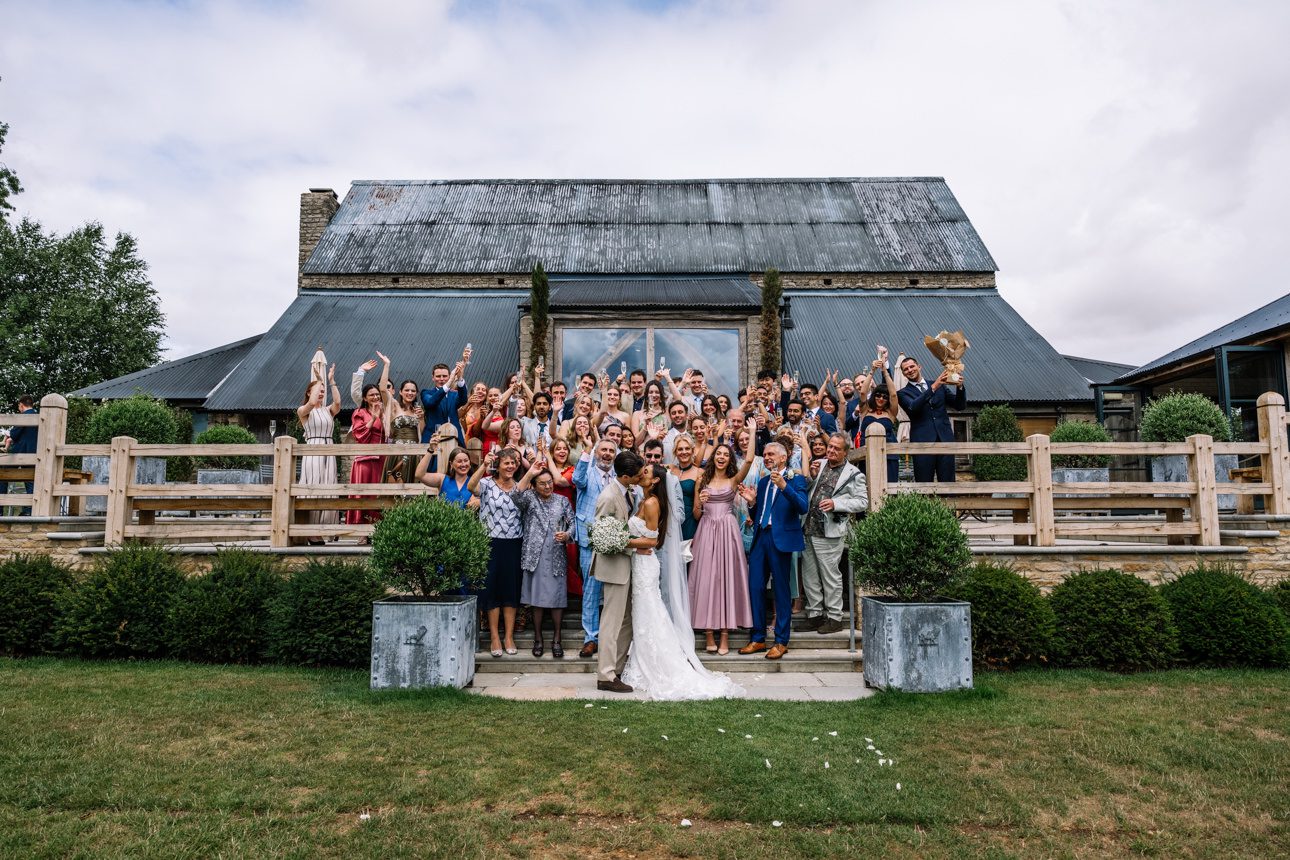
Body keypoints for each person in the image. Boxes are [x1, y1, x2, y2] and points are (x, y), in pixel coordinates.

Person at [621, 462, 743, 701]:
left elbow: (653, 541)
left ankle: (661, 665)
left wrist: (622, 540)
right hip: (640, 565)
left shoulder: (652, 502)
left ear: (656, 480)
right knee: (645, 614)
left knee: (651, 613)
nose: (640, 473)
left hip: (646, 566)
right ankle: (643, 660)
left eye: (645, 472)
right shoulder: (642, 499)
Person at [738, 442, 809, 660]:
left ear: (783, 457)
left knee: (781, 591)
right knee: (755, 587)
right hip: (761, 538)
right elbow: (761, 511)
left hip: (781, 540)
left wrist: (784, 487)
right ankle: (758, 638)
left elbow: (803, 507)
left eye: (771, 454)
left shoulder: (795, 479)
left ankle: (781, 641)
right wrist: (751, 504)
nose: (766, 457)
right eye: (765, 454)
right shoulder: (762, 480)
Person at [689, 442, 754, 655]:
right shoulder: (702, 480)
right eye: (719, 453)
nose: (722, 457)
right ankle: (708, 633)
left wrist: (752, 433)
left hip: (727, 530)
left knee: (726, 579)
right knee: (707, 580)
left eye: (726, 454)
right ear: (713, 457)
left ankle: (725, 634)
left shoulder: (733, 480)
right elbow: (697, 514)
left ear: (730, 459)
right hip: (706, 529)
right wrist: (700, 501)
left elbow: (750, 460)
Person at [801, 433, 868, 634]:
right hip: (808, 527)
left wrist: (836, 504)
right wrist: (810, 477)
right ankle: (814, 614)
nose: (830, 451)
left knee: (830, 576)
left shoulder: (854, 474)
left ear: (846, 452)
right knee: (809, 575)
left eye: (836, 449)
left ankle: (834, 617)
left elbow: (862, 502)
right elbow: (807, 490)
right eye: (830, 447)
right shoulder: (819, 464)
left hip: (830, 531)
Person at [592, 449, 644, 693]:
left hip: (626, 563)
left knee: (626, 621)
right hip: (613, 567)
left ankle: (617, 668)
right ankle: (605, 675)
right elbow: (601, 535)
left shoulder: (628, 492)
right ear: (625, 476)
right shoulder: (608, 496)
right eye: (637, 474)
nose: (641, 477)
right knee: (611, 622)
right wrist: (634, 543)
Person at [514, 461, 575, 659]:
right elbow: (514, 495)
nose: (548, 486)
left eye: (550, 482)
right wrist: (530, 473)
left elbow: (573, 523)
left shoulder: (562, 501)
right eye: (542, 483)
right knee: (537, 601)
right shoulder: (530, 497)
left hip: (556, 553)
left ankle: (557, 639)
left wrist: (567, 535)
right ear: (534, 484)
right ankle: (538, 638)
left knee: (557, 600)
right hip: (535, 556)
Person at [469, 447, 525, 658]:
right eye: (507, 463)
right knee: (491, 590)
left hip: (513, 543)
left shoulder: (519, 487)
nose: (510, 466)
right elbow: (470, 486)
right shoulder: (486, 484)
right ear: (498, 465)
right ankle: (494, 636)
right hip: (490, 542)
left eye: (513, 463)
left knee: (510, 590)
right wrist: (483, 466)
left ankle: (509, 636)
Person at [572, 437, 619, 658]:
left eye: (611, 450)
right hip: (588, 540)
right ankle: (591, 638)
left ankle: (610, 637)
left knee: (611, 591)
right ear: (596, 453)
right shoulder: (587, 473)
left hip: (614, 541)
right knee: (590, 591)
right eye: (604, 450)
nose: (607, 454)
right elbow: (576, 478)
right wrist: (586, 451)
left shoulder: (619, 478)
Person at [896, 355, 966, 482]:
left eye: (912, 366)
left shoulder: (940, 386)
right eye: (906, 369)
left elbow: (959, 406)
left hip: (945, 439)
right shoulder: (902, 393)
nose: (910, 370)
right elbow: (913, 407)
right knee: (924, 483)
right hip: (922, 442)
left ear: (919, 366)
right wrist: (934, 387)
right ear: (903, 373)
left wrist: (960, 387)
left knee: (948, 483)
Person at [297, 364, 341, 544]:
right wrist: (318, 381)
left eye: (323, 391)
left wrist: (330, 381)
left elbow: (338, 402)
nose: (321, 393)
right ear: (309, 392)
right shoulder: (304, 411)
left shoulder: (328, 410)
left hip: (328, 450)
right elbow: (312, 402)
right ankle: (310, 530)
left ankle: (327, 528)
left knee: (329, 487)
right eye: (318, 391)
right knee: (313, 487)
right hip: (313, 449)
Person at [544, 437, 582, 596]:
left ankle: (570, 591)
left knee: (569, 554)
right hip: (546, 515)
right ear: (553, 451)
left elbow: (559, 481)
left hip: (566, 517)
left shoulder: (573, 469)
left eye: (564, 449)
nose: (562, 451)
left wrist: (546, 456)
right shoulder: (545, 468)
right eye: (558, 449)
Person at [346, 383, 386, 528]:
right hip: (365, 458)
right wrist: (374, 418)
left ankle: (377, 528)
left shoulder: (385, 411)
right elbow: (359, 435)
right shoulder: (359, 413)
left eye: (377, 394)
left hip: (382, 458)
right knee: (363, 492)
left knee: (378, 494)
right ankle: (360, 530)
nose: (375, 397)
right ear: (365, 398)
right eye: (371, 395)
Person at [857, 357, 900, 483]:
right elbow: (863, 393)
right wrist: (872, 370)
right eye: (878, 395)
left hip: (889, 454)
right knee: (867, 485)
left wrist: (885, 371)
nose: (881, 398)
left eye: (884, 397)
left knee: (890, 484)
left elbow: (893, 394)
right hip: (867, 453)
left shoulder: (891, 413)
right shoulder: (866, 410)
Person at [421, 346, 470, 443]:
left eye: (445, 376)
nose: (442, 379)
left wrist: (459, 378)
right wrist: (450, 381)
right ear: (433, 378)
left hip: (454, 438)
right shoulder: (426, 393)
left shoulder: (454, 395)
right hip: (433, 439)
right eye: (438, 376)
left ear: (448, 376)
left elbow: (463, 400)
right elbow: (431, 403)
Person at [415, 441, 477, 511]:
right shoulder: (442, 479)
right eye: (459, 461)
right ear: (451, 464)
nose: (463, 464)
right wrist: (431, 450)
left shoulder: (474, 483)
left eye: (466, 460)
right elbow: (419, 475)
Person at [1, 396, 37, 515]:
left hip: (19, 453)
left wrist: (8, 437)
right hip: (34, 453)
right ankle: (29, 511)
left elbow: (15, 434)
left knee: (3, 476)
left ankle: (0, 509)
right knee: (30, 481)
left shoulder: (24, 416)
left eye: (19, 406)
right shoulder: (38, 416)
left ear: (21, 405)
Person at [668, 434, 703, 541]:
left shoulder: (700, 472)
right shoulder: (669, 469)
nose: (684, 452)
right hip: (671, 520)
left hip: (690, 520)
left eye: (687, 448)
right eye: (680, 449)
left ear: (692, 451)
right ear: (675, 452)